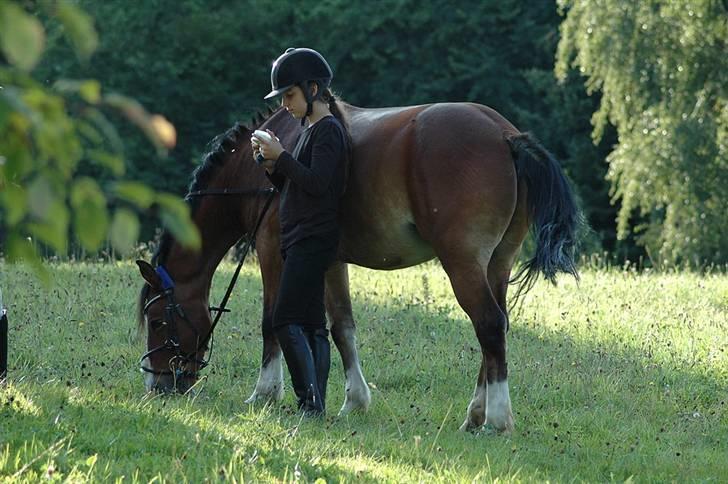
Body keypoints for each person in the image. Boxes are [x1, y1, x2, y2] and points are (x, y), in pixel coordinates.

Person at [252, 48, 349, 415]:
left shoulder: (328, 132)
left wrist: (283, 156)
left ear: (313, 88)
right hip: (302, 236)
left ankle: (309, 403)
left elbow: (318, 184)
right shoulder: (309, 129)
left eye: (289, 96)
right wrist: (270, 164)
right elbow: (294, 186)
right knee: (311, 323)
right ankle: (316, 404)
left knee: (284, 319)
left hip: (313, 236)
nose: (286, 105)